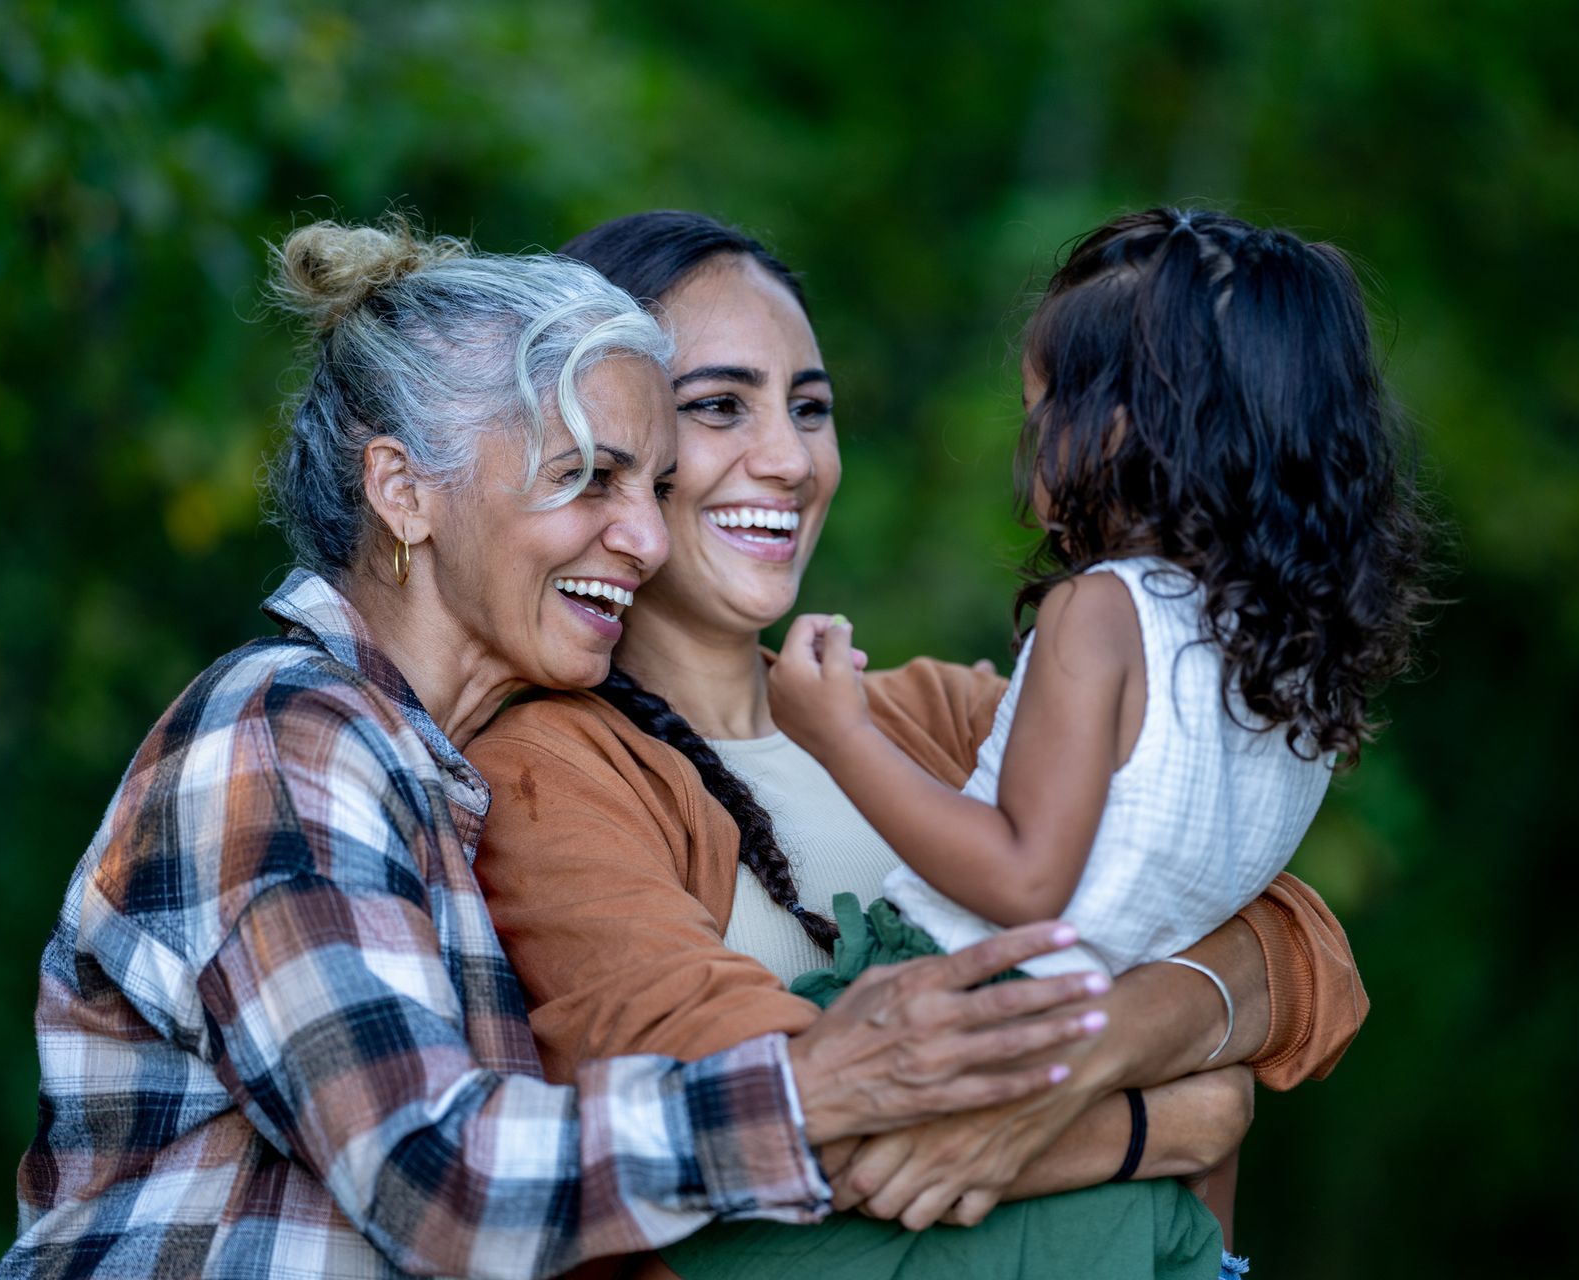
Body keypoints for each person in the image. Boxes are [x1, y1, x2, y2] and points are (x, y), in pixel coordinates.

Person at [0, 218, 1117, 1280]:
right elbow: (437, 1179)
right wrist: (815, 1081)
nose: (639, 536)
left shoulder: (424, 766)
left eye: (649, 483)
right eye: (586, 477)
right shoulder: (284, 733)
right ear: (403, 493)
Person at [468, 211, 1372, 1279]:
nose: (789, 458)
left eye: (811, 408)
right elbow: (753, 1104)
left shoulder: (931, 717)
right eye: (718, 406)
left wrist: (1098, 1054)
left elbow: (1290, 940)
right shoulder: (551, 769)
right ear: (600, 442)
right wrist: (1169, 1122)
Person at [765, 206, 1431, 984]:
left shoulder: (1103, 612)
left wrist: (840, 733)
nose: (1033, 439)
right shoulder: (1293, 653)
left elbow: (1023, 882)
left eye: (1038, 408)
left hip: (950, 988)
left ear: (1120, 427)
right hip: (1089, 1020)